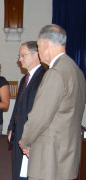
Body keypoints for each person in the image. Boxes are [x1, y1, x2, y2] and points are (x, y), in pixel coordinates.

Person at [19, 24, 86, 180]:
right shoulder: (75, 70)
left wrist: (25, 141)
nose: (39, 52)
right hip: (67, 151)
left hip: (50, 157)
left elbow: (39, 116)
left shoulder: (55, 73)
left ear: (46, 44)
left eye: (39, 46)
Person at [7, 41, 46, 180]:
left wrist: (31, 137)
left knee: (30, 173)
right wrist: (12, 127)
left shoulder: (45, 77)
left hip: (32, 135)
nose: (19, 59)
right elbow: (17, 106)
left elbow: (42, 112)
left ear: (36, 55)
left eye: (23, 55)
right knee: (18, 172)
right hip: (19, 132)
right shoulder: (25, 78)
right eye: (19, 56)